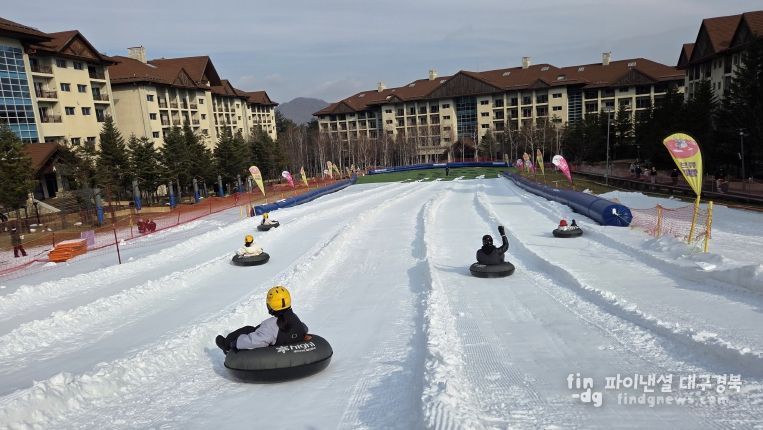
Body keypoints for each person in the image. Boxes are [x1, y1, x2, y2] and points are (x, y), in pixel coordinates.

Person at [216, 286, 308, 353]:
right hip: (286, 344)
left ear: (270, 305)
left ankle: (226, 344)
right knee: (257, 328)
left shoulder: (271, 325)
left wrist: (235, 343)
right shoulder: (295, 318)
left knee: (249, 329)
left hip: (274, 351)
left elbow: (255, 341)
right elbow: (303, 328)